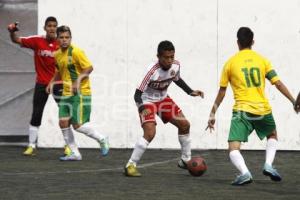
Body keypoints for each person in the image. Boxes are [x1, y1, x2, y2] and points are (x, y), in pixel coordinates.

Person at [206, 27, 295, 185]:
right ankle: (268, 164)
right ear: (252, 42)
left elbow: (222, 92)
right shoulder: (262, 60)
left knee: (233, 147)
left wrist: (212, 113)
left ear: (237, 42)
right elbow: (278, 84)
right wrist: (293, 101)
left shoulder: (230, 63)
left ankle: (245, 173)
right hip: (262, 109)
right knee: (272, 135)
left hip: (242, 111)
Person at [124, 40, 204, 177]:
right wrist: (142, 107)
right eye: (166, 57)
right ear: (158, 57)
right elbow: (137, 95)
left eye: (172, 57)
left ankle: (185, 160)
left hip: (163, 100)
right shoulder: (151, 71)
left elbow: (177, 79)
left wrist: (190, 92)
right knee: (150, 133)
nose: (169, 60)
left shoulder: (176, 65)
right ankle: (131, 164)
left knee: (185, 125)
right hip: (147, 101)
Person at [7, 17, 70, 156]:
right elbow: (16, 40)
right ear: (44, 27)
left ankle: (68, 145)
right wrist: (12, 31)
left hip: (58, 83)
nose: (52, 28)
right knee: (36, 113)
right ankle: (31, 146)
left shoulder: (62, 44)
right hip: (42, 83)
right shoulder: (37, 40)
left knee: (65, 114)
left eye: (54, 26)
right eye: (49, 26)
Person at [47, 25, 109, 161]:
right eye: (62, 37)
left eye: (67, 37)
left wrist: (77, 81)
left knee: (77, 125)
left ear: (70, 38)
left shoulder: (76, 52)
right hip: (66, 94)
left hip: (80, 92)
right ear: (57, 39)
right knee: (63, 123)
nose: (64, 40)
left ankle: (102, 138)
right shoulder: (57, 54)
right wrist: (51, 82)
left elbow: (89, 67)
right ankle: (75, 153)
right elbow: (59, 70)